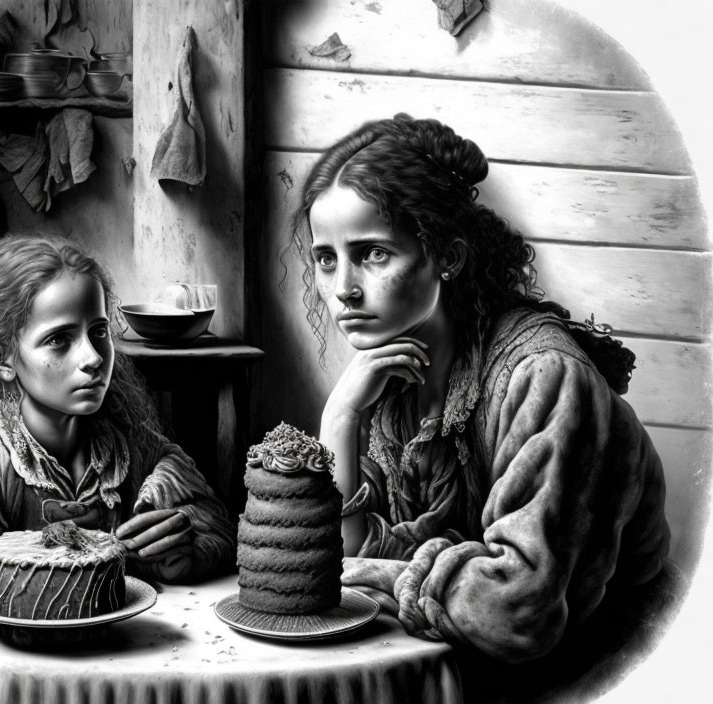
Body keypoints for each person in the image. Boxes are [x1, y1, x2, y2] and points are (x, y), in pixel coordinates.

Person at [288, 114, 682, 701]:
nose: (343, 287)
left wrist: (385, 574)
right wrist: (339, 420)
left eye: (372, 254)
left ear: (446, 255)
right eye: (325, 258)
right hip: (472, 671)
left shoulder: (544, 375)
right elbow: (337, 555)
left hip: (615, 674)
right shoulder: (391, 377)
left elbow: (518, 607)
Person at [0, 234, 235, 603]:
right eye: (59, 340)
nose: (93, 358)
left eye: (99, 332)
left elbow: (214, 525)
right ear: (2, 360)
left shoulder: (125, 443)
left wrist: (184, 551)